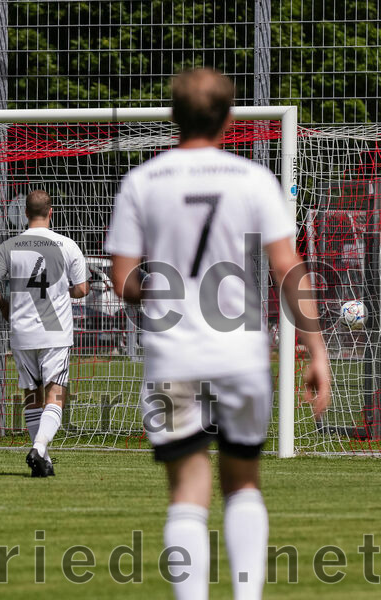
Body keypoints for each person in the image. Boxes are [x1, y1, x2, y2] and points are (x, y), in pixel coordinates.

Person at [105, 68, 331, 600]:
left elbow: (122, 280)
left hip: (173, 356)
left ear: (172, 117)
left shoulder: (142, 181)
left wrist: (159, 287)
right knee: (244, 483)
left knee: (187, 491)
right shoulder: (252, 180)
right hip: (239, 355)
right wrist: (315, 348)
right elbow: (287, 269)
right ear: (229, 120)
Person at [0, 190, 89, 477]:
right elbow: (81, 289)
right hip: (54, 332)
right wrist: (62, 291)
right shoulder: (67, 245)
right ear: (50, 212)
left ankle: (42, 458)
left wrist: (5, 305)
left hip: (22, 330)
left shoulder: (9, 246)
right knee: (56, 393)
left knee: (32, 394)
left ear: (25, 214)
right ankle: (40, 447)